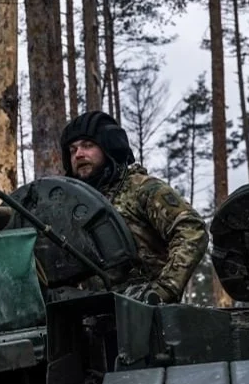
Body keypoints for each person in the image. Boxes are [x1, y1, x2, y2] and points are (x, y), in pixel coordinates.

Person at [60, 111, 208, 303]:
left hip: (147, 313)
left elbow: (191, 229)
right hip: (94, 312)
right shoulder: (71, 205)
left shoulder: (141, 189)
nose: (79, 154)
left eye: (88, 146)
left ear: (109, 147)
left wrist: (165, 288)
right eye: (73, 150)